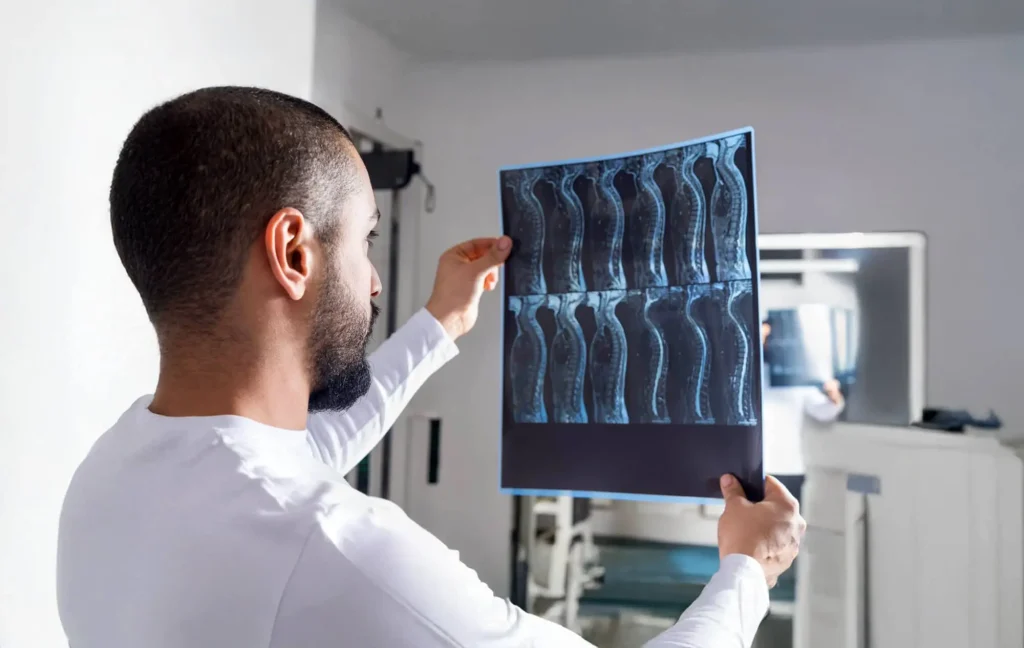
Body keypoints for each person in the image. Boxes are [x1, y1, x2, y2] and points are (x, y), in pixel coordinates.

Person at [56, 86, 805, 648]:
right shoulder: (342, 552)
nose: (376, 280)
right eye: (367, 240)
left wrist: (441, 321)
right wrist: (746, 571)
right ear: (293, 254)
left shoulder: (113, 474)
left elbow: (301, 454)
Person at [760, 321, 845, 501]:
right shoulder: (746, 373)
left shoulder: (797, 376)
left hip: (787, 466)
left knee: (789, 525)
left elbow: (825, 411)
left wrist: (833, 393)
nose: (765, 342)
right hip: (753, 469)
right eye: (762, 337)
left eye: (769, 337)